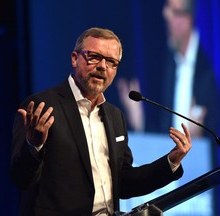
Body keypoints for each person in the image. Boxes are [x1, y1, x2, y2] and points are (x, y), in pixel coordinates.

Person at [10, 27, 192, 216]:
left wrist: (171, 161)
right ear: (75, 58)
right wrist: (33, 145)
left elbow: (125, 183)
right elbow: (21, 178)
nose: (102, 66)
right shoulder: (42, 106)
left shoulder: (115, 116)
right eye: (94, 57)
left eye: (111, 62)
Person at [117, 0, 219, 138]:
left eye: (175, 13)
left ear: (188, 19)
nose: (167, 18)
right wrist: (140, 122)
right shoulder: (165, 63)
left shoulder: (211, 66)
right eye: (166, 12)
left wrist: (199, 139)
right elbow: (163, 135)